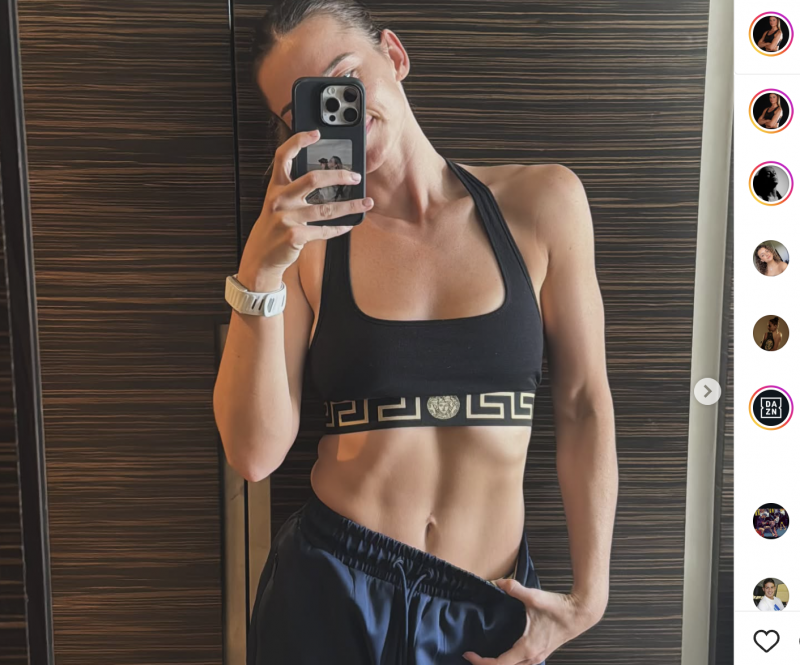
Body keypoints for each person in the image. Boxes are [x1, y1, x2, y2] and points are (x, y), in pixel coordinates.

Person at [214, 1, 617, 663]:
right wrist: (260, 266)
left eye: (345, 79)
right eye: (306, 107)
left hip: (487, 602)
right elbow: (254, 455)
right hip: (331, 587)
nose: (337, 111)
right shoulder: (301, 242)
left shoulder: (542, 204)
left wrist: (588, 598)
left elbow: (583, 403)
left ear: (395, 56)